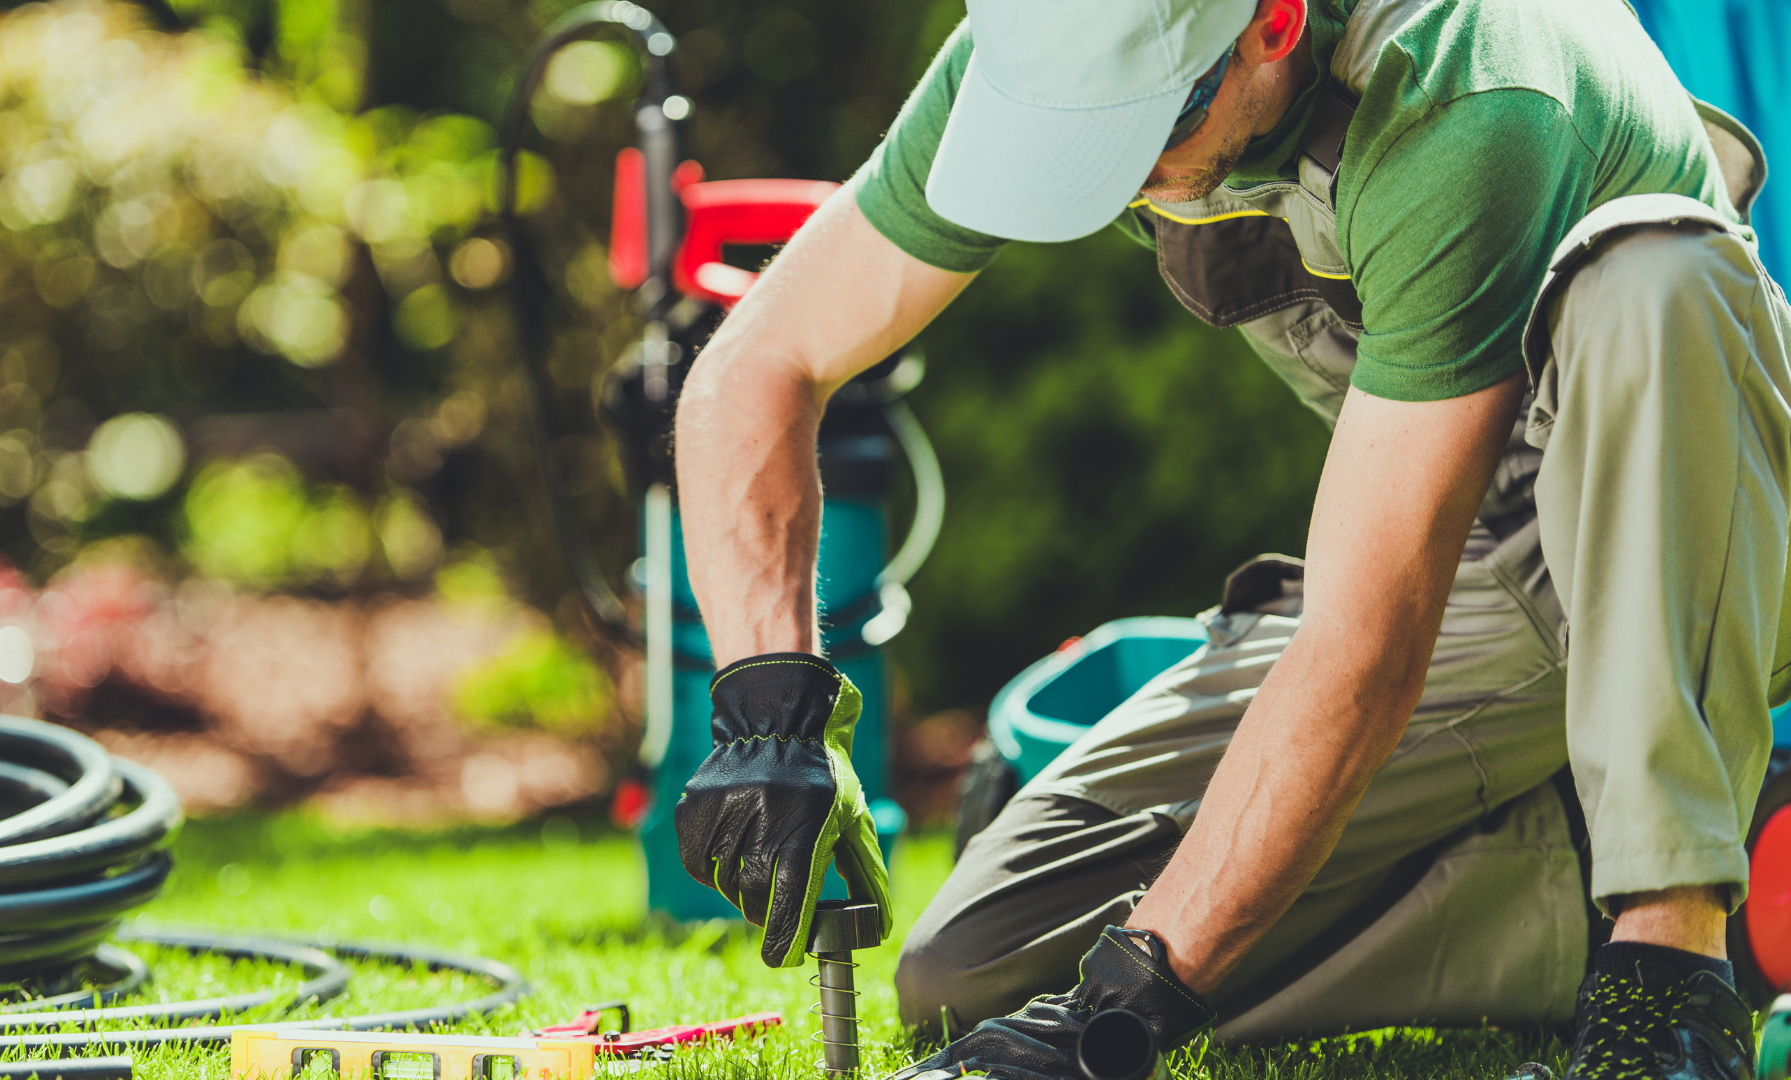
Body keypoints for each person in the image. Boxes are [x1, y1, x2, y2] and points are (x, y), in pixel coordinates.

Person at [667, 0, 1791, 1076]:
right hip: (1481, 574)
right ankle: (1682, 850)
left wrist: (1130, 1004)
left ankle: (1668, 954)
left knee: (1656, 270)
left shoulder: (1464, 87)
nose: (1115, 180)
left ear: (1275, 23)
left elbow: (1364, 648)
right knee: (973, 969)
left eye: (1146, 131)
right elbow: (758, 366)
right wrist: (768, 702)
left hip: (1698, 537)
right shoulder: (1055, 49)